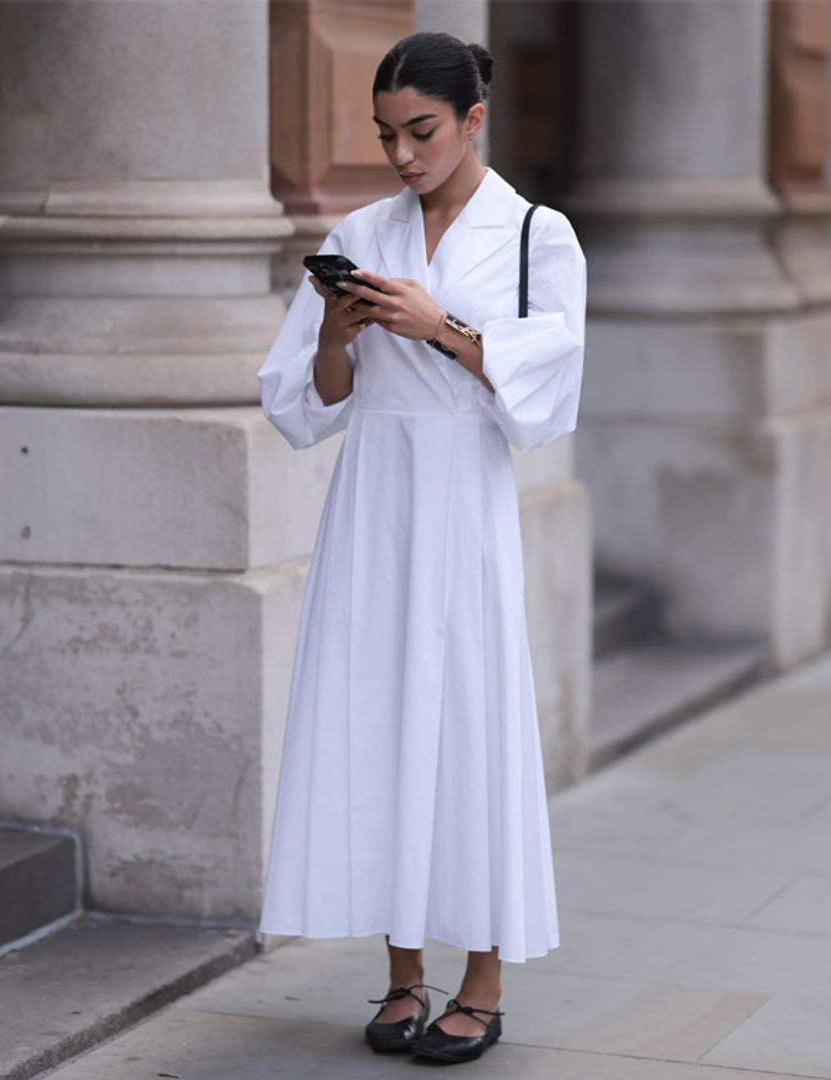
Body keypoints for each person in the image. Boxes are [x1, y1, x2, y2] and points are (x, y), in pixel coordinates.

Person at [256, 30, 586, 1065]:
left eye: (423, 132)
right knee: (377, 721)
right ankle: (403, 975)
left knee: (471, 728)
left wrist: (443, 328)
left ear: (474, 118)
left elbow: (549, 400)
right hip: (372, 510)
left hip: (465, 503)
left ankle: (483, 981)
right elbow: (304, 410)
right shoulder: (362, 228)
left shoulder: (539, 236)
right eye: (387, 135)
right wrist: (339, 333)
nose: (402, 156)